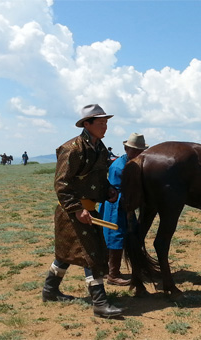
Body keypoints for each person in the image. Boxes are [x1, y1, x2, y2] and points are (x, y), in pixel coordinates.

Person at [42, 103, 122, 318]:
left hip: (89, 211)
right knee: (92, 254)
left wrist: (109, 191)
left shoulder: (100, 148)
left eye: (106, 123)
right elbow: (61, 183)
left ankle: (50, 290)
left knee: (66, 254)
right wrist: (77, 209)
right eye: (101, 123)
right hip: (72, 212)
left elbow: (98, 179)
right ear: (87, 124)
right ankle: (100, 303)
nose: (105, 127)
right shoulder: (73, 148)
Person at [99, 133, 148, 286]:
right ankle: (113, 274)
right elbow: (115, 191)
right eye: (133, 150)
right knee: (115, 236)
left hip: (125, 204)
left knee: (115, 235)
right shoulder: (119, 167)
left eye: (139, 150)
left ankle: (106, 270)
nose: (136, 153)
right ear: (126, 148)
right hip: (116, 204)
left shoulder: (130, 163)